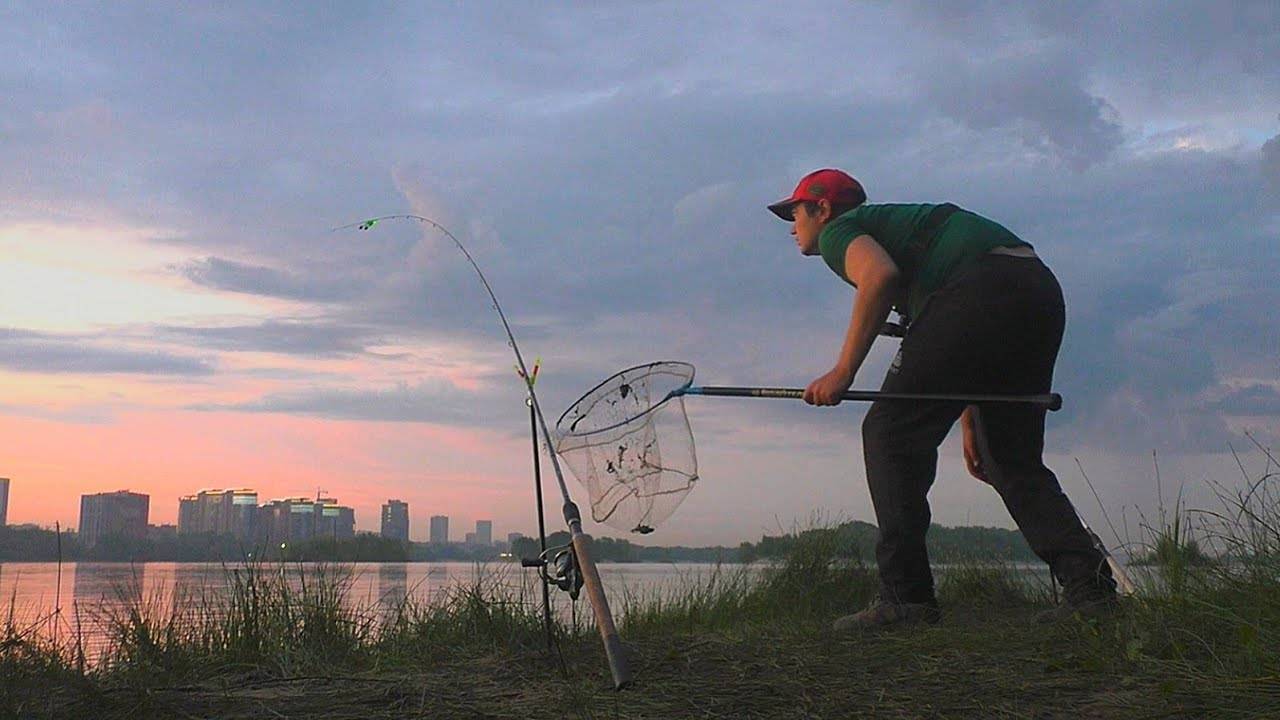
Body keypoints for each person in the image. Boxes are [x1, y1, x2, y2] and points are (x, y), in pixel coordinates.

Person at [767, 168, 1117, 629]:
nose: (792, 227)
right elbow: (965, 336)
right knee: (1010, 458)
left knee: (889, 434)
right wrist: (971, 419)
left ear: (823, 209)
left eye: (795, 213)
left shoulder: (839, 232)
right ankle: (1090, 592)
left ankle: (906, 599)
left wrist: (842, 372)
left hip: (978, 287)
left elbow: (879, 276)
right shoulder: (906, 236)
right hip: (1036, 290)